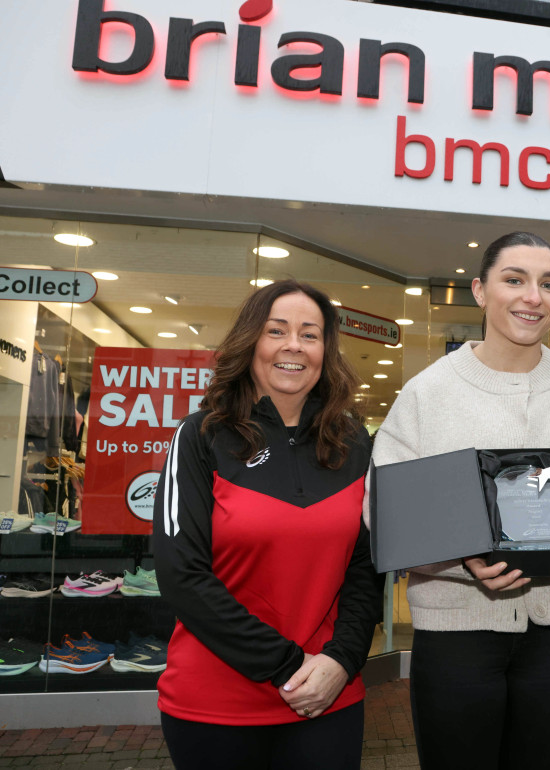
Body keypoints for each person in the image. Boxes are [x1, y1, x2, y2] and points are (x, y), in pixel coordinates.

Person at [371, 231, 550, 770]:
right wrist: (463, 556)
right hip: (456, 635)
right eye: (515, 280)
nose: (533, 297)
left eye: (549, 284)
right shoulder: (427, 394)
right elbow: (385, 510)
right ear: (479, 291)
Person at [153, 279, 385, 770]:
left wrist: (342, 661)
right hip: (216, 703)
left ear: (326, 350)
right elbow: (181, 575)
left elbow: (366, 568)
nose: (293, 346)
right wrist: (290, 665)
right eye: (276, 331)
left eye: (310, 334)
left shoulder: (354, 442)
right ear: (250, 342)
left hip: (328, 694)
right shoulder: (201, 435)